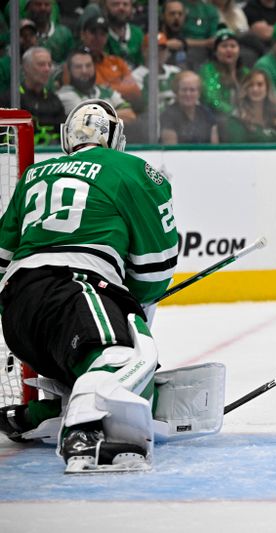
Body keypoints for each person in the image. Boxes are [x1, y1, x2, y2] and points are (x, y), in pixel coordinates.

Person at [0, 99, 178, 472]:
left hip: (17, 309)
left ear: (68, 136)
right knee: (123, 357)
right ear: (114, 137)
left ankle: (43, 411)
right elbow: (155, 269)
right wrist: (131, 312)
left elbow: (3, 257)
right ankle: (85, 432)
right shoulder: (128, 169)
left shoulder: (36, 174)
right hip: (73, 288)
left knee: (84, 354)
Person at [0, 47, 64, 146]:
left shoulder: (55, 101)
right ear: (26, 67)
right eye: (41, 64)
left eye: (49, 65)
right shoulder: (10, 99)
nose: (47, 69)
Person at [56, 48, 137, 124]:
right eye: (78, 67)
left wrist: (97, 116)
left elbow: (130, 115)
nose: (84, 71)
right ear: (70, 71)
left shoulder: (106, 91)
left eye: (88, 65)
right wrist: (115, 114)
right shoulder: (65, 95)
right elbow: (86, 122)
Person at [77, 14, 142, 105]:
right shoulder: (76, 64)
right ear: (83, 35)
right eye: (93, 32)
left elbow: (134, 91)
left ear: (107, 37)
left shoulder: (117, 61)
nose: (98, 38)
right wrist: (119, 86)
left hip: (123, 111)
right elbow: (91, 94)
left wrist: (105, 87)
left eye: (102, 34)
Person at [220, 69, 276, 142]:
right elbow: (237, 150)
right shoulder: (236, 120)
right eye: (250, 85)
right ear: (245, 89)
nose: (255, 89)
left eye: (260, 84)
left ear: (267, 88)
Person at [199, 29, 250, 116]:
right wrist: (233, 112)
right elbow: (211, 98)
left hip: (244, 116)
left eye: (233, 46)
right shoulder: (208, 70)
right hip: (216, 117)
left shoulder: (245, 72)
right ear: (215, 51)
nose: (229, 50)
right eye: (224, 46)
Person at [161, 70, 220, 144]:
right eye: (184, 90)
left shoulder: (206, 114)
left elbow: (214, 148)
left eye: (192, 90)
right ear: (176, 92)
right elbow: (171, 150)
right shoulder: (168, 115)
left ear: (199, 93)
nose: (188, 94)